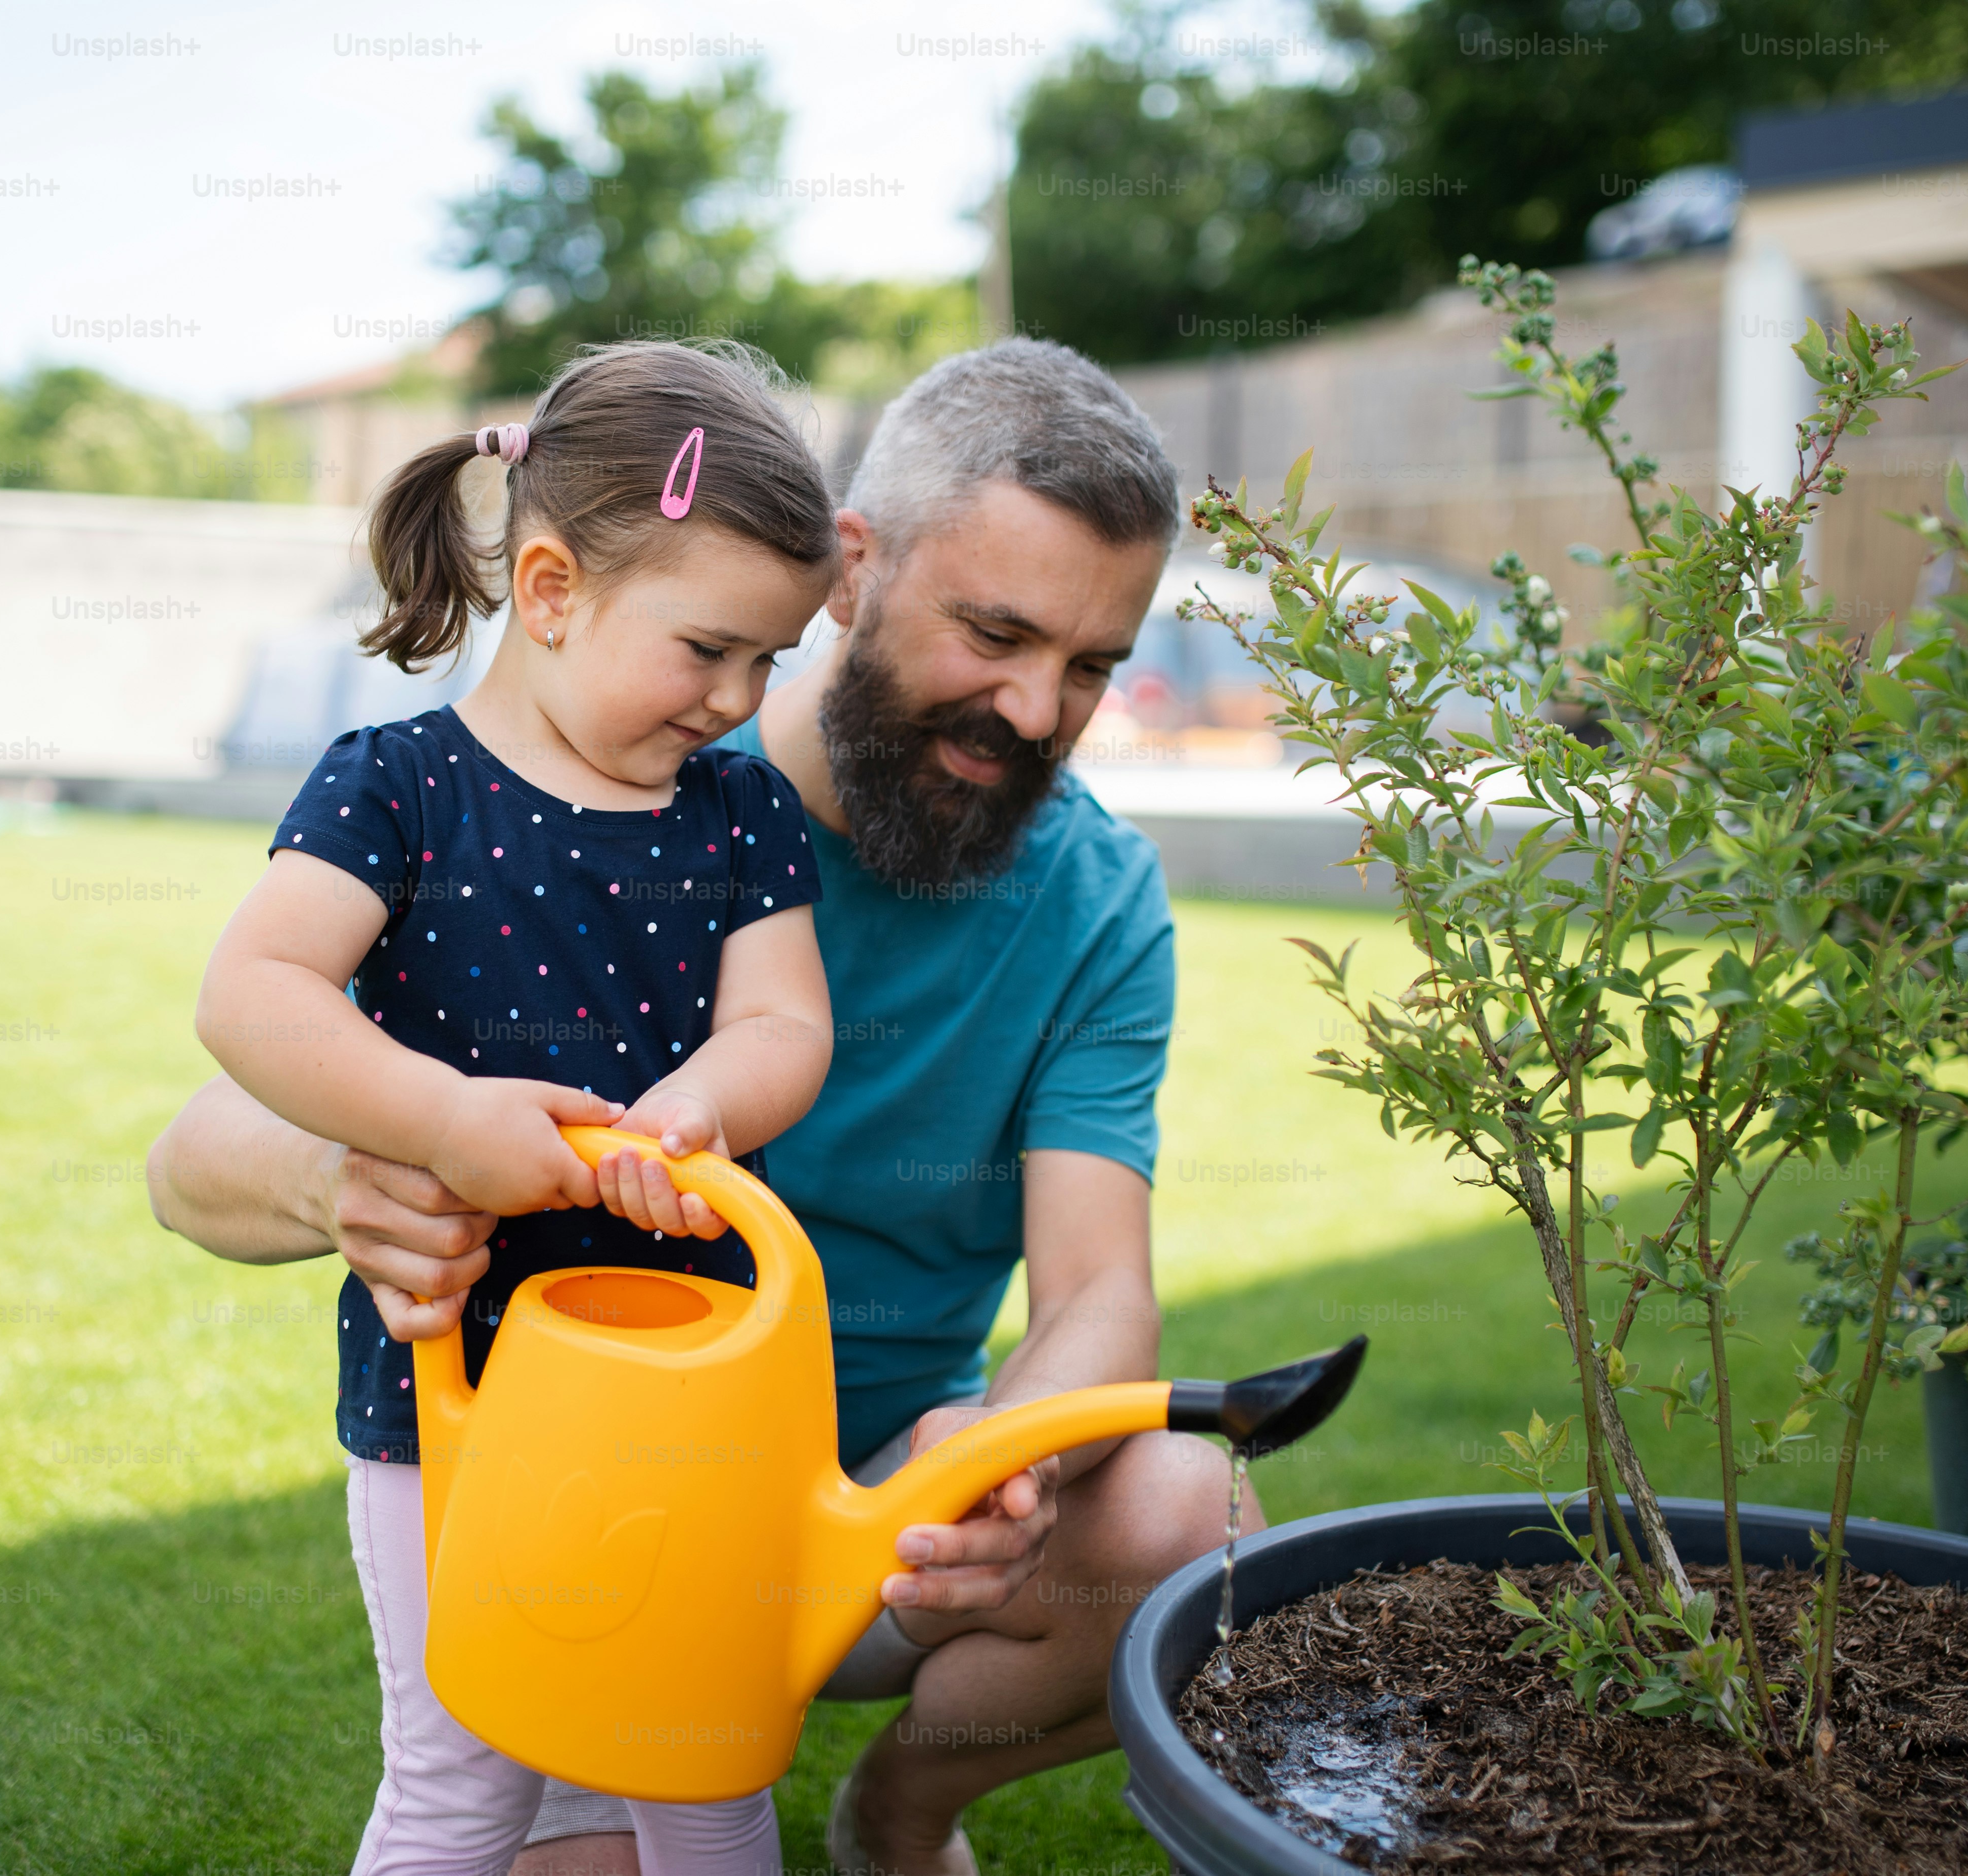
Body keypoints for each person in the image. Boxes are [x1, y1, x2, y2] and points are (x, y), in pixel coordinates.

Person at [152, 338, 1253, 1876]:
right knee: (537, 1832)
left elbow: (1098, 1297)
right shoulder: (613, 744)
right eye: (995, 631)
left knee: (1191, 1511)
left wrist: (997, 1464)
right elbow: (192, 1153)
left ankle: (904, 1809)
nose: (1033, 707)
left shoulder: (1090, 898)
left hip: (876, 1528)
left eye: (1087, 665)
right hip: (594, 1486)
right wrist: (363, 1166)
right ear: (850, 574)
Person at [193, 339, 844, 1876]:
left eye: (772, 662)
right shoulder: (396, 788)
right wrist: (440, 1120)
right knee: (459, 1783)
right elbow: (253, 994)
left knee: (706, 1768)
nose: (739, 699)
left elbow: (787, 1022)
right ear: (549, 590)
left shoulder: (740, 810)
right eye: (708, 651)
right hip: (451, 1398)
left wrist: (698, 1105)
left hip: (694, 1397)